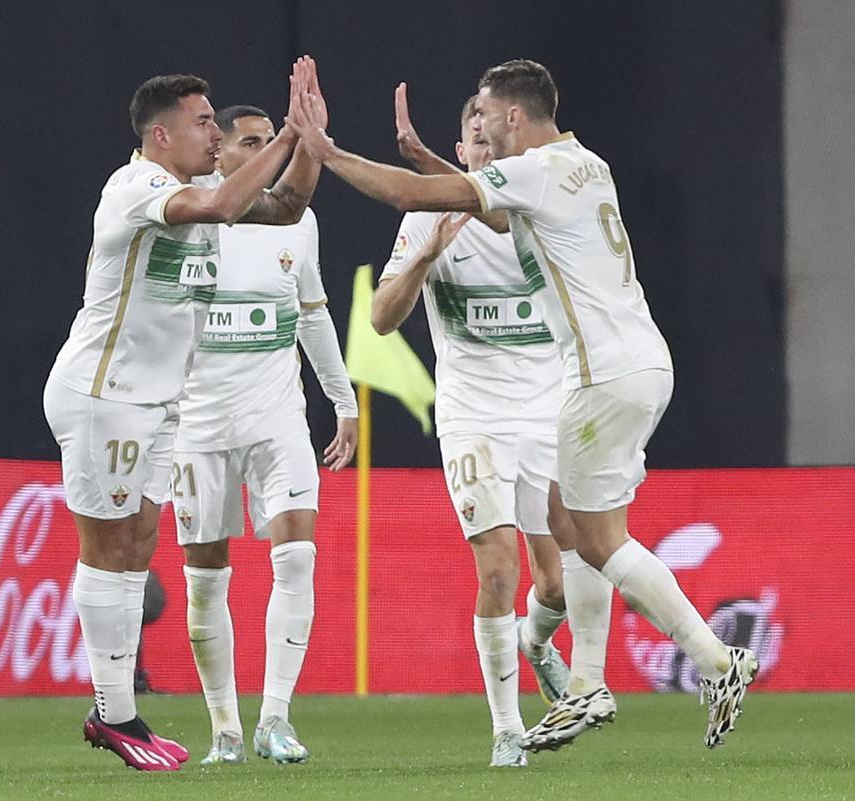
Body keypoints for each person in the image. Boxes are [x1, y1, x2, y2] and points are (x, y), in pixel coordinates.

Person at [287, 58, 757, 750]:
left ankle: (716, 659)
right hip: (641, 363)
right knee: (583, 529)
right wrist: (430, 168)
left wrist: (327, 154)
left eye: (486, 113)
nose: (481, 125)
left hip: (596, 375)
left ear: (513, 117)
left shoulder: (531, 172)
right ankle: (588, 683)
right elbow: (469, 209)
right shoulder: (586, 164)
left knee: (596, 542)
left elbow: (406, 195)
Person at [42, 59, 325, 771]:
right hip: (107, 393)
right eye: (204, 122)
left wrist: (309, 143)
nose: (215, 132)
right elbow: (226, 207)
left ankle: (118, 711)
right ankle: (114, 713)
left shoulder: (197, 186)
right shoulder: (136, 188)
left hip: (154, 403)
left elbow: (285, 209)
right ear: (161, 134)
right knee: (107, 547)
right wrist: (284, 136)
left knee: (136, 541)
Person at [373, 91, 571, 767]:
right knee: (496, 571)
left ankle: (535, 641)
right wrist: (426, 253)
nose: (488, 153)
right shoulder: (428, 216)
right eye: (476, 144)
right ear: (462, 153)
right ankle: (507, 728)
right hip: (473, 420)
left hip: (546, 413)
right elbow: (379, 317)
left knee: (559, 585)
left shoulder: (538, 210)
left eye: (496, 143)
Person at [171, 104, 358, 767]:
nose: (261, 153)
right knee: (204, 582)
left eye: (266, 142)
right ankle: (223, 727)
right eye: (248, 142)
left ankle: (274, 717)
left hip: (278, 418)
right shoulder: (190, 215)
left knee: (298, 556)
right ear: (218, 151)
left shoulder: (295, 223)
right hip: (197, 427)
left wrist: (344, 399)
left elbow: (312, 316)